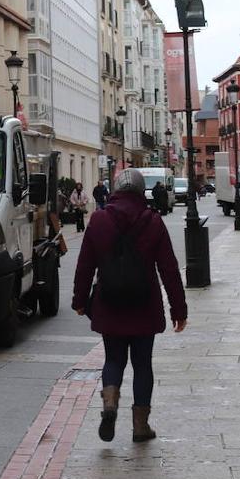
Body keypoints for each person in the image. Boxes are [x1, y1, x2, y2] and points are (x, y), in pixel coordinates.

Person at [72, 168, 187, 444]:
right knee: (142, 364)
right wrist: (178, 309)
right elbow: (169, 268)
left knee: (113, 359)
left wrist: (79, 300)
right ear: (140, 191)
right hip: (144, 303)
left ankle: (110, 403)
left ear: (115, 190)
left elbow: (85, 264)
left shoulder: (99, 219)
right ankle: (140, 425)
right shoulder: (152, 220)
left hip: (110, 302)